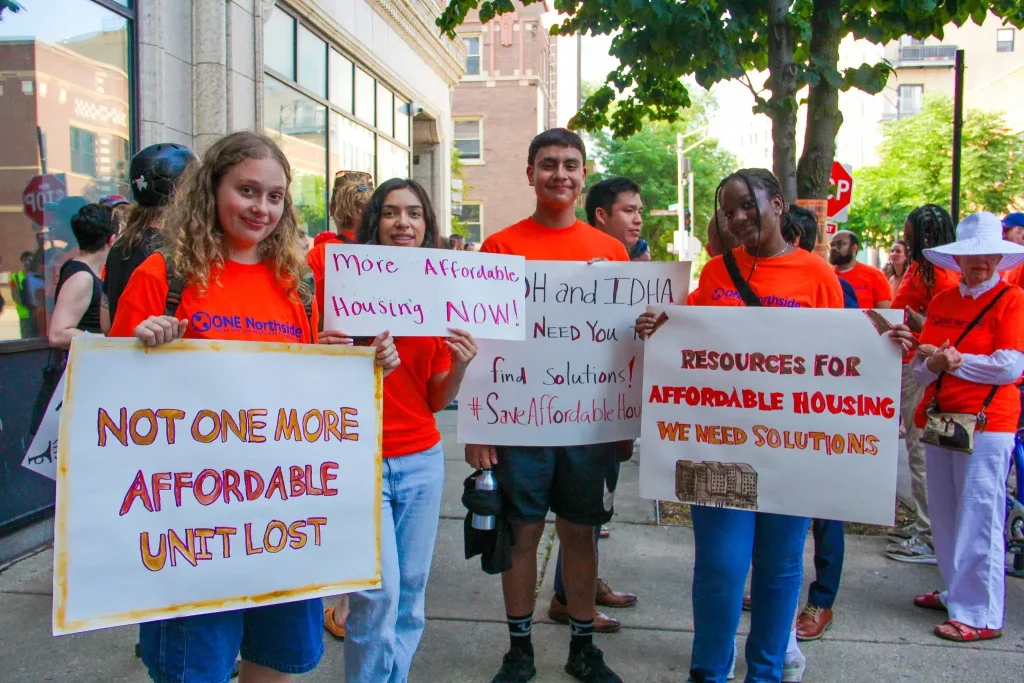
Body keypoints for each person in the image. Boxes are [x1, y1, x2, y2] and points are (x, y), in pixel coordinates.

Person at [108, 131, 398, 683]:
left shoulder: (299, 283)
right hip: (191, 525)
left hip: (278, 518)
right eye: (247, 190)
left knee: (276, 665)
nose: (261, 208)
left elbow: (313, 398)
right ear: (211, 189)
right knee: (198, 670)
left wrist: (363, 361)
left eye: (275, 196)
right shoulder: (164, 277)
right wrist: (139, 346)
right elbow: (107, 403)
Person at [636, 169, 845, 683]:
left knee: (779, 568)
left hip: (790, 448)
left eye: (745, 207)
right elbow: (695, 348)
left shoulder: (818, 276)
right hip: (719, 443)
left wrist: (890, 346)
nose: (735, 219)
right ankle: (709, 671)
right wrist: (661, 328)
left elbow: (841, 360)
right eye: (727, 212)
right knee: (720, 568)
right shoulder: (716, 274)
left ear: (777, 204)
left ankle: (767, 673)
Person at [469, 128, 628, 683]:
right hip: (518, 422)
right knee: (522, 532)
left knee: (581, 532)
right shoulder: (500, 247)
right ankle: (519, 649)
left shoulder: (611, 252)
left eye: (570, 165)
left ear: (584, 175)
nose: (559, 174)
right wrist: (479, 425)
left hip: (588, 426)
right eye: (548, 165)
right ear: (529, 173)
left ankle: (582, 644)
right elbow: (481, 344)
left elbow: (622, 342)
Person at [322, 178, 477, 683]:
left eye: (413, 214)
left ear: (428, 225)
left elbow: (435, 399)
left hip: (421, 461)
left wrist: (459, 367)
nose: (402, 223)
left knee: (410, 593)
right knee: (376, 594)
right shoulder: (338, 278)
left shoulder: (436, 293)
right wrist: (342, 353)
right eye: (390, 213)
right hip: (358, 458)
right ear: (374, 222)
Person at [892, 211, 1024, 643]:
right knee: (947, 512)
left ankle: (982, 613)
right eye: (972, 255)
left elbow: (1010, 366)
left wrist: (955, 361)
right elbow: (923, 367)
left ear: (998, 258)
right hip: (942, 417)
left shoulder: (1011, 300)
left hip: (988, 423)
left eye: (987, 255)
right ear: (959, 259)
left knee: (981, 514)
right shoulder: (944, 303)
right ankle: (957, 593)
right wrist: (934, 362)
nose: (980, 262)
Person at [546, 177, 644, 635]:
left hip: (601, 415)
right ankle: (568, 596)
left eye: (640, 210)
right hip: (545, 412)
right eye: (628, 210)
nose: (638, 218)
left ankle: (580, 589)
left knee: (589, 515)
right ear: (601, 214)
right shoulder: (588, 258)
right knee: (572, 519)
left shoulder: (621, 260)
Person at [886, 205, 959, 564]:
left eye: (910, 231)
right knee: (918, 450)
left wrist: (915, 320)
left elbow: (946, 326)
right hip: (908, 362)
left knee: (920, 450)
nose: (905, 236)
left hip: (923, 364)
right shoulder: (921, 268)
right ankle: (924, 523)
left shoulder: (942, 274)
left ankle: (931, 533)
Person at [103, 143, 197, 330]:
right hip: (154, 355)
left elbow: (105, 323)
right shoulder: (171, 253)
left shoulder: (121, 245)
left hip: (122, 350)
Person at [307, 172, 375, 322]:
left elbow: (309, 309)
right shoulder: (385, 252)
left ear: (332, 208)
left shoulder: (318, 255)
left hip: (334, 341)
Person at [48, 203, 117, 349]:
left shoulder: (95, 271)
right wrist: (111, 339)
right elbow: (57, 335)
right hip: (82, 366)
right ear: (112, 239)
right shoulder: (82, 277)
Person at [829, 230, 892, 309]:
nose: (834, 248)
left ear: (854, 248)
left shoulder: (875, 275)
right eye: (832, 245)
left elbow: (884, 313)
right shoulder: (827, 275)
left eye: (840, 244)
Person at [10, 250, 38, 338]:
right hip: (24, 314)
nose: (27, 263)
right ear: (21, 262)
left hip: (38, 313)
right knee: (27, 339)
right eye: (25, 260)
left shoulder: (38, 276)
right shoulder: (16, 277)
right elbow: (14, 295)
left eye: (29, 260)